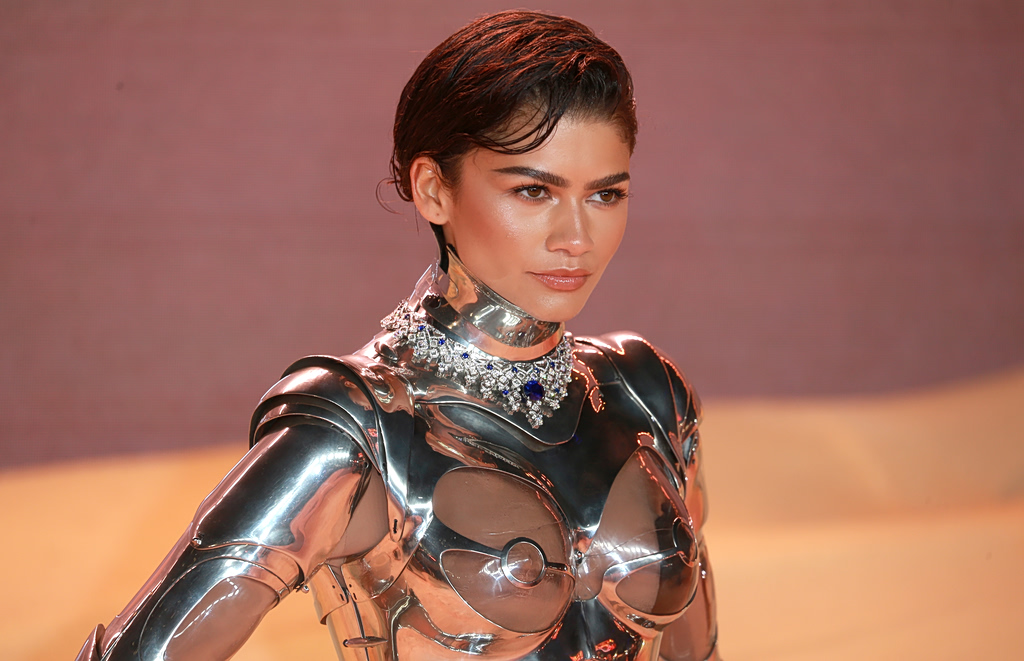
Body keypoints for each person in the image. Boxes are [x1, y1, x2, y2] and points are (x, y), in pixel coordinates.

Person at [76, 10, 719, 661]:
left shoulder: (647, 392)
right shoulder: (357, 429)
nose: (576, 238)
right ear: (433, 190)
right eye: (533, 191)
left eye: (606, 195)